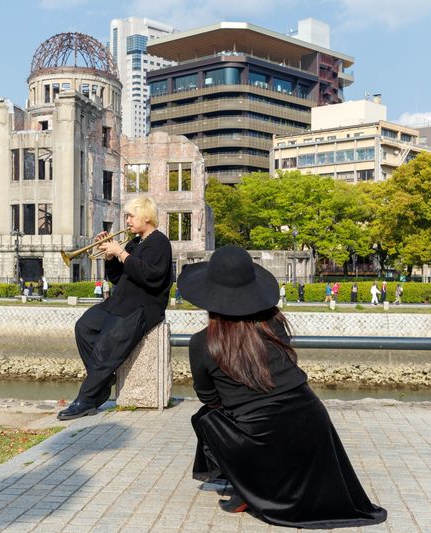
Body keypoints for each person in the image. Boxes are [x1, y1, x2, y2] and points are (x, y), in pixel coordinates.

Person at [177, 246, 387, 528]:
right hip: (313, 421)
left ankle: (245, 487)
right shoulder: (274, 324)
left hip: (260, 434)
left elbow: (209, 397)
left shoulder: (202, 343)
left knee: (206, 417)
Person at [57, 196, 173, 421]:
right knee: (84, 327)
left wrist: (120, 253)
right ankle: (102, 379)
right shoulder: (134, 243)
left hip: (143, 306)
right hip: (121, 301)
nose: (127, 220)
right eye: (127, 216)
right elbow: (118, 279)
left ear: (146, 216)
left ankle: (86, 399)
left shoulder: (159, 242)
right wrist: (110, 258)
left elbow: (151, 277)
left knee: (107, 348)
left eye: (131, 215)